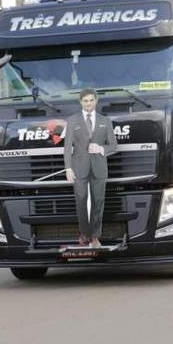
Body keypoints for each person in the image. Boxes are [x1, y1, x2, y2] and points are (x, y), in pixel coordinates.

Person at [63, 88, 118, 248]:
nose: (88, 103)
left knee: (98, 202)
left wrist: (101, 149)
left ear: (96, 101)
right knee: (81, 201)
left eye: (91, 100)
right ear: (81, 102)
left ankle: (95, 237)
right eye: (85, 101)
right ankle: (84, 234)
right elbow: (67, 147)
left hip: (99, 167)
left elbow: (113, 145)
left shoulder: (105, 121)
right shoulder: (72, 120)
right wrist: (68, 168)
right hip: (78, 167)